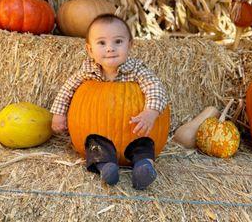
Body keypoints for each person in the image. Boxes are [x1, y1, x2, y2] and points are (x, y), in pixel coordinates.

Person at [51, 14, 169, 190]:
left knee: (144, 145)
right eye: (102, 43)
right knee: (94, 146)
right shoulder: (88, 71)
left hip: (135, 132)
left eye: (118, 42)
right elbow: (67, 89)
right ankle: (106, 167)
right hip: (100, 133)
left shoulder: (137, 70)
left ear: (130, 45)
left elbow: (155, 87)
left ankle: (143, 167)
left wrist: (151, 112)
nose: (110, 49)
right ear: (90, 50)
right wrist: (59, 114)